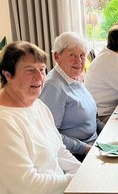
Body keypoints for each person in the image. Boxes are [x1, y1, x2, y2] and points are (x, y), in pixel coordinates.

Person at [0, 41, 80, 194]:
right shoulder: (4, 122)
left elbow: (59, 151)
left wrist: (84, 172)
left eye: (42, 70)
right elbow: (26, 185)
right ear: (8, 75)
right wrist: (75, 180)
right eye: (30, 70)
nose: (39, 77)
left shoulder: (38, 105)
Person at [39, 32, 103, 162]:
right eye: (72, 55)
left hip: (95, 144)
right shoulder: (53, 86)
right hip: (77, 155)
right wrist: (85, 148)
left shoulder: (73, 78)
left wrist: (108, 130)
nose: (78, 61)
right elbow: (51, 134)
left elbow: (90, 119)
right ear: (57, 56)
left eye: (82, 55)